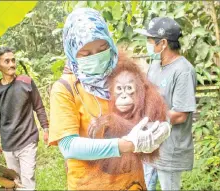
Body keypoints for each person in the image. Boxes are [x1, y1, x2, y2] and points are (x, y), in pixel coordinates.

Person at [48, 8, 171, 190]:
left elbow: (151, 109)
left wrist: (159, 128)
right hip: (90, 183)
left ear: (110, 44)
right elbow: (68, 146)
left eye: (102, 49)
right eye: (86, 54)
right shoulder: (65, 89)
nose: (96, 57)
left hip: (131, 183)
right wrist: (125, 145)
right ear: (72, 53)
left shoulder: (123, 72)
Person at [136, 17, 197, 190]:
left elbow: (180, 115)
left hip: (170, 148)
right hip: (149, 143)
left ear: (162, 43)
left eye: (149, 40)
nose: (147, 44)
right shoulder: (155, 65)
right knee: (145, 185)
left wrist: (150, 119)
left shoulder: (183, 71)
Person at [0, 46, 49, 189]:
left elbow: (38, 106)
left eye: (13, 60)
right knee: (16, 180)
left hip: (28, 139)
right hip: (8, 143)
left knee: (28, 179)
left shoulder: (26, 82)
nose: (12, 64)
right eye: (7, 61)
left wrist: (46, 128)